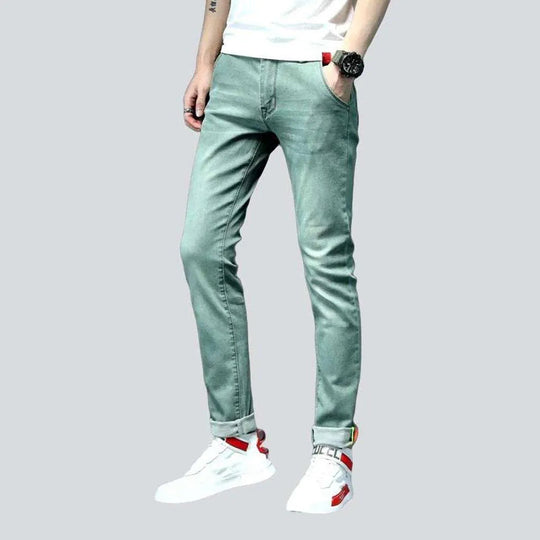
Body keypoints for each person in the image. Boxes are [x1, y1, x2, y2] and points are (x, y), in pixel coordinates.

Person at [155, 0, 390, 513]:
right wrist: (205, 62)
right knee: (200, 246)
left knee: (326, 262)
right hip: (235, 70)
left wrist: (347, 62)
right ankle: (236, 442)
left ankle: (334, 449)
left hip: (316, 70)